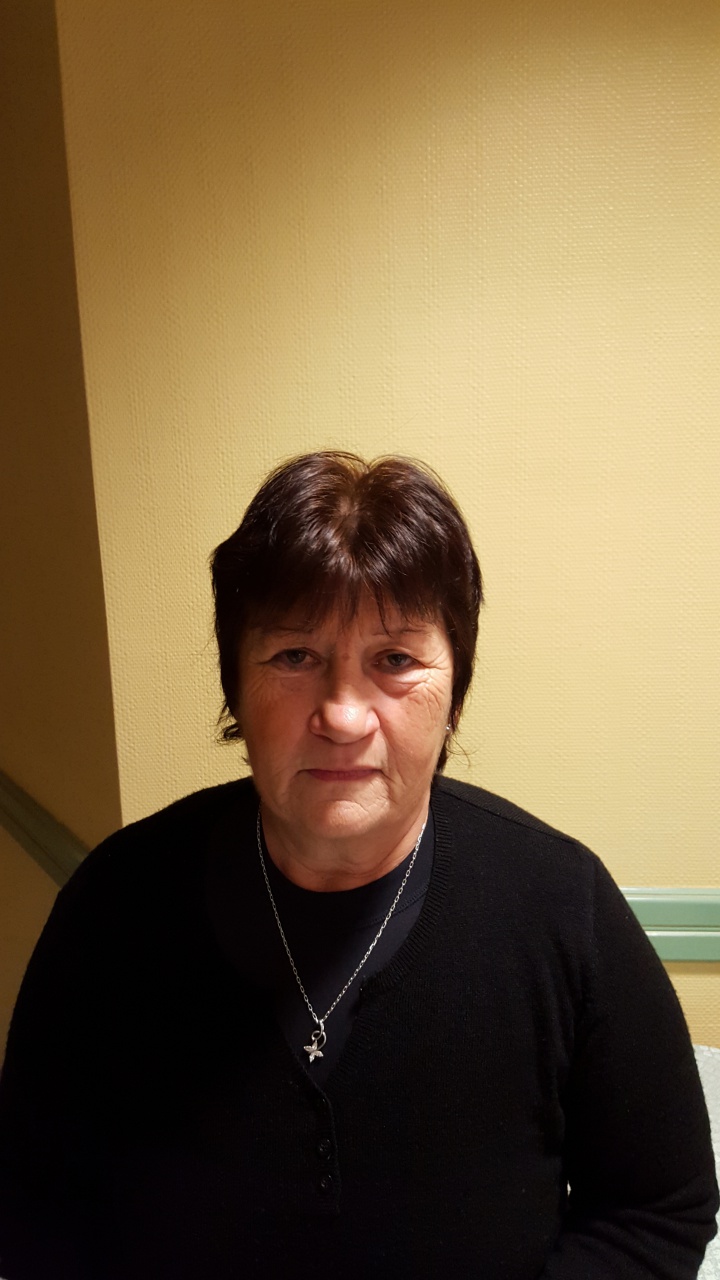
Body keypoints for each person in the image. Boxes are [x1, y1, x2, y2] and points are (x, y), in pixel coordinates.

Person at [0, 450, 717, 1280]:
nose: (342, 716)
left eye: (396, 660)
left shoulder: (562, 906)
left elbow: (658, 1206)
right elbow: (33, 1204)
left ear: (455, 689)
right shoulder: (115, 905)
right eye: (294, 657)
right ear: (236, 684)